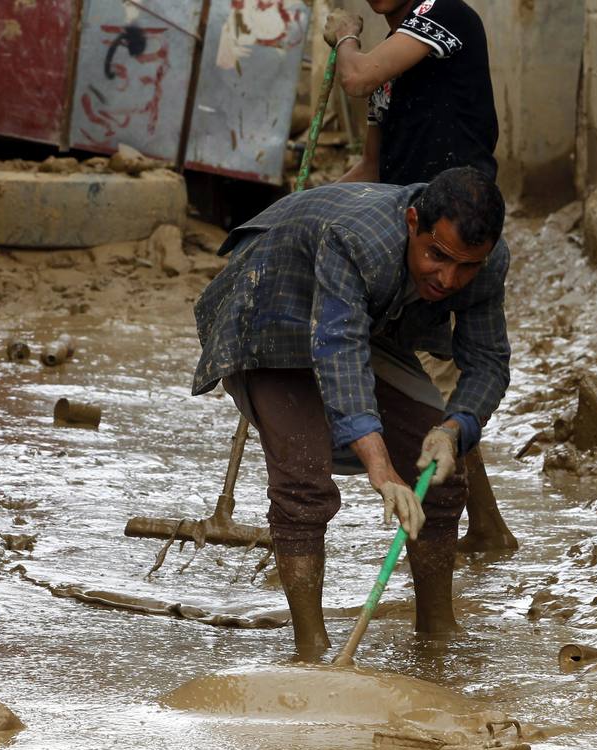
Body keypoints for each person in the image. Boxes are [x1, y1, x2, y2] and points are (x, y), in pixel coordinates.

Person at [192, 167, 510, 659]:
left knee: (440, 473)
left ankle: (437, 631)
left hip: (360, 319)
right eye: (437, 256)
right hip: (273, 308)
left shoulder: (486, 261)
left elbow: (488, 360)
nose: (449, 279)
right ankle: (312, 651)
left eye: (465, 267)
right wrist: (380, 469)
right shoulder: (359, 242)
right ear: (412, 222)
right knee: (303, 482)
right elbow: (338, 351)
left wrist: (454, 428)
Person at [321, 0, 519, 555]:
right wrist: (310, 210)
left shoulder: (445, 15)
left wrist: (344, 37)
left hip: (456, 240)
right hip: (404, 247)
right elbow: (372, 169)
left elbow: (356, 76)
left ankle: (477, 525)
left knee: (447, 387)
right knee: (432, 393)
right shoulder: (393, 65)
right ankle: (486, 526)